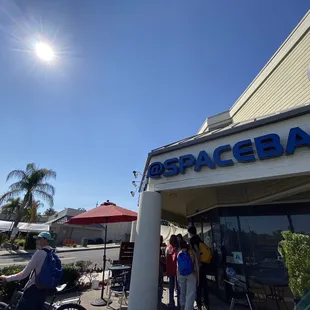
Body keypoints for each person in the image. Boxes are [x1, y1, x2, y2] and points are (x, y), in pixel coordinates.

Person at [0, 232, 55, 310]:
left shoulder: (40, 253)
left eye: (39, 239)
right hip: (44, 288)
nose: (36, 241)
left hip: (34, 288)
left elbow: (24, 274)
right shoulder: (52, 252)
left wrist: (7, 278)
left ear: (45, 240)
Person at [188, 226, 211, 310]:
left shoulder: (193, 240)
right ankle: (207, 303)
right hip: (205, 264)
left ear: (190, 232)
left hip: (199, 265)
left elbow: (197, 251)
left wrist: (198, 263)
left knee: (198, 285)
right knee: (204, 284)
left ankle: (199, 304)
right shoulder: (199, 238)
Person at [177, 240, 199, 310]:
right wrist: (198, 278)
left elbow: (177, 266)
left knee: (182, 292)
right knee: (190, 294)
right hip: (191, 274)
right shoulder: (192, 252)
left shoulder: (179, 253)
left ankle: (182, 307)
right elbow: (196, 266)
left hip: (181, 274)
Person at [165, 234, 180, 308]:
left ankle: (171, 304)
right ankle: (180, 305)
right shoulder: (178, 248)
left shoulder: (168, 248)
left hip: (170, 270)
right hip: (178, 270)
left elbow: (166, 259)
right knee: (178, 288)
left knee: (171, 288)